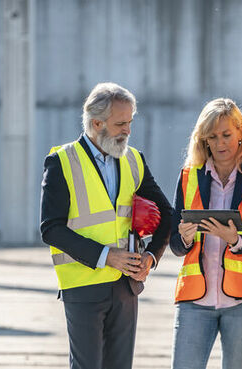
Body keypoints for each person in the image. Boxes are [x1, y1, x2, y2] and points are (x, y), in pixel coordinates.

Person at [40, 82, 172, 369]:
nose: (128, 130)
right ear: (96, 123)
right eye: (120, 123)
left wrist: (151, 257)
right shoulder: (62, 161)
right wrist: (106, 256)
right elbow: (50, 228)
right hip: (83, 286)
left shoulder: (134, 159)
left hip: (126, 288)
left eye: (130, 123)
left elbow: (167, 213)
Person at [170, 98, 242, 369]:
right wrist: (183, 237)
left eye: (227, 135)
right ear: (203, 140)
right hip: (195, 299)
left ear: (241, 132)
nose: (220, 144)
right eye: (213, 137)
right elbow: (174, 243)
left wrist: (235, 240)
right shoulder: (188, 176)